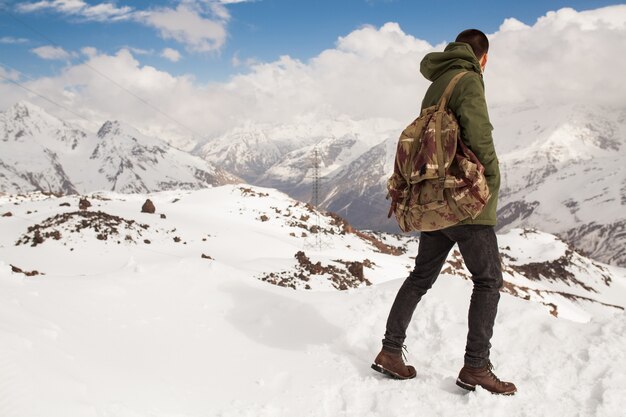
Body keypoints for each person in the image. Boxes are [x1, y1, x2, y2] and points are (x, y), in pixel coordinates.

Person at [371, 29, 517, 395]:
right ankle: (475, 367)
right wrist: (492, 182)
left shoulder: (437, 83)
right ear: (483, 57)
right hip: (464, 202)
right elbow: (479, 136)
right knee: (488, 281)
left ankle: (390, 350)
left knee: (421, 277)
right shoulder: (469, 81)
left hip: (434, 202)